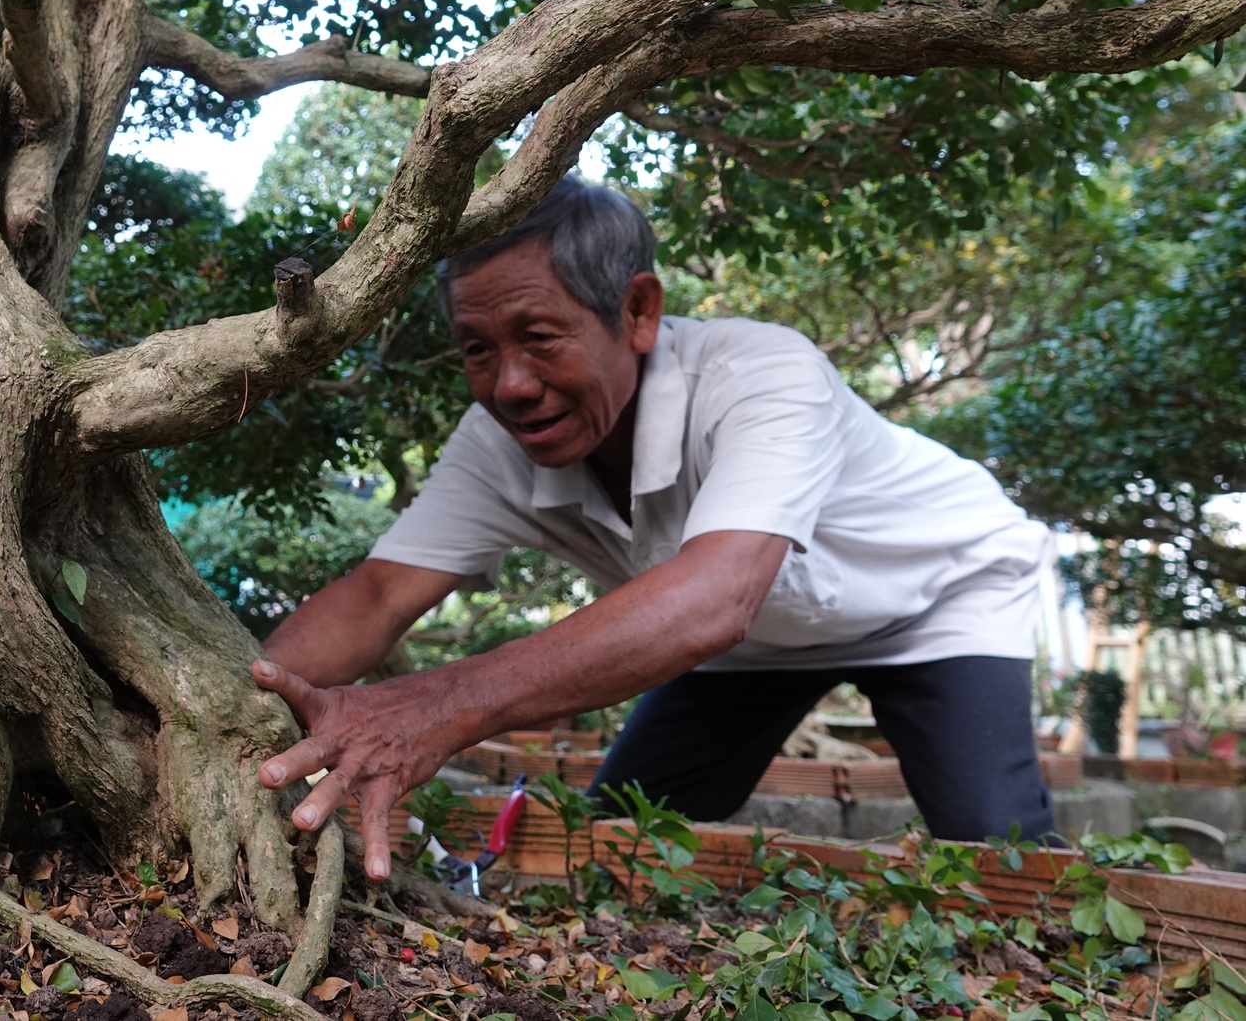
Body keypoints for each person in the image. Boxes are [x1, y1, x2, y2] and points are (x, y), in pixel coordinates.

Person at [250, 178, 1056, 882]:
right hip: (745, 646)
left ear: (638, 310)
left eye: (538, 336)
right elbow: (382, 594)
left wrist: (434, 704)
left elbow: (716, 596)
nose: (512, 385)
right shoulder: (494, 441)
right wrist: (233, 698)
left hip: (935, 601)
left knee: (998, 857)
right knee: (620, 846)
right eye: (477, 350)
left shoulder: (763, 374)